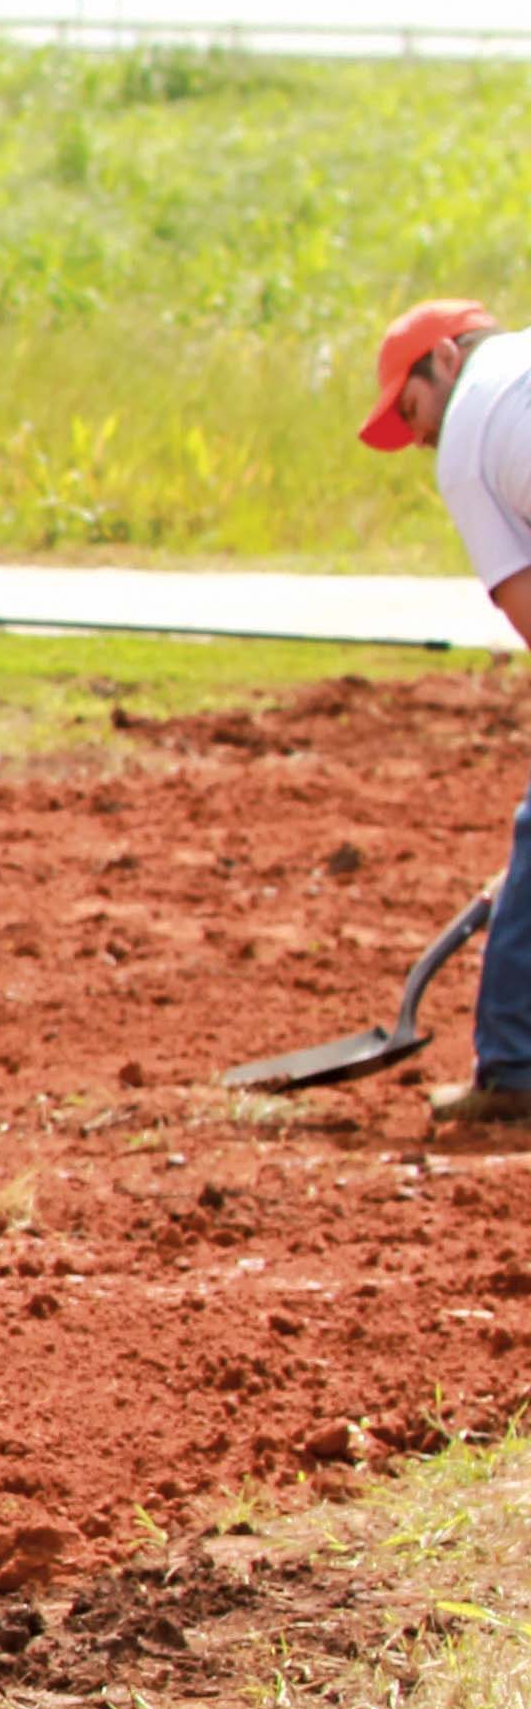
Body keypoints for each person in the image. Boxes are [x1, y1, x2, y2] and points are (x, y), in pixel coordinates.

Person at [358, 299, 531, 1126]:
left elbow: (525, 601)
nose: (416, 431)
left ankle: (515, 1068)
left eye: (410, 406)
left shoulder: (468, 439)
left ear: (447, 360)